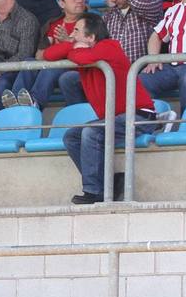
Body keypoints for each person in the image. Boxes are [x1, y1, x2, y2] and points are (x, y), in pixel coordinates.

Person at [45, 13, 161, 204]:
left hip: (139, 115)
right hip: (114, 119)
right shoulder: (83, 50)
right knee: (71, 136)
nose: (71, 34)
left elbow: (84, 58)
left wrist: (71, 49)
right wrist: (73, 45)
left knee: (91, 132)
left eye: (76, 31)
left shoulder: (109, 46)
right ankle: (107, 182)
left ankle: (95, 192)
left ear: (91, 37)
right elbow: (50, 55)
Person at [12, 0, 91, 108]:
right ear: (61, 4)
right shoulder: (53, 23)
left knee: (53, 67)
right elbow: (39, 56)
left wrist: (67, 43)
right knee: (29, 62)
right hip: (52, 66)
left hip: (76, 70)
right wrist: (60, 48)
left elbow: (91, 51)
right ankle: (15, 102)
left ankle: (35, 102)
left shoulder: (91, 22)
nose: (79, 0)